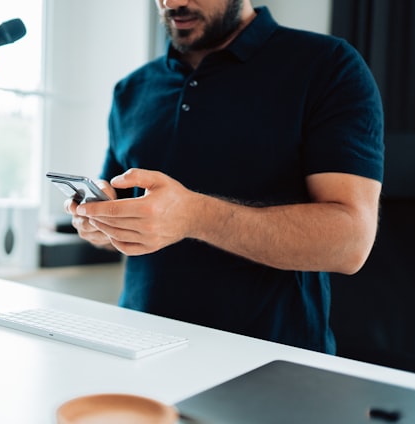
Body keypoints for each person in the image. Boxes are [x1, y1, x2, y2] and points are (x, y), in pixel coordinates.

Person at [65, 0, 384, 354]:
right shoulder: (132, 89)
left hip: (271, 363)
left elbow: (351, 241)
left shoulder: (328, 66)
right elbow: (126, 219)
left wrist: (195, 216)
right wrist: (98, 224)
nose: (173, 3)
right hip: (140, 348)